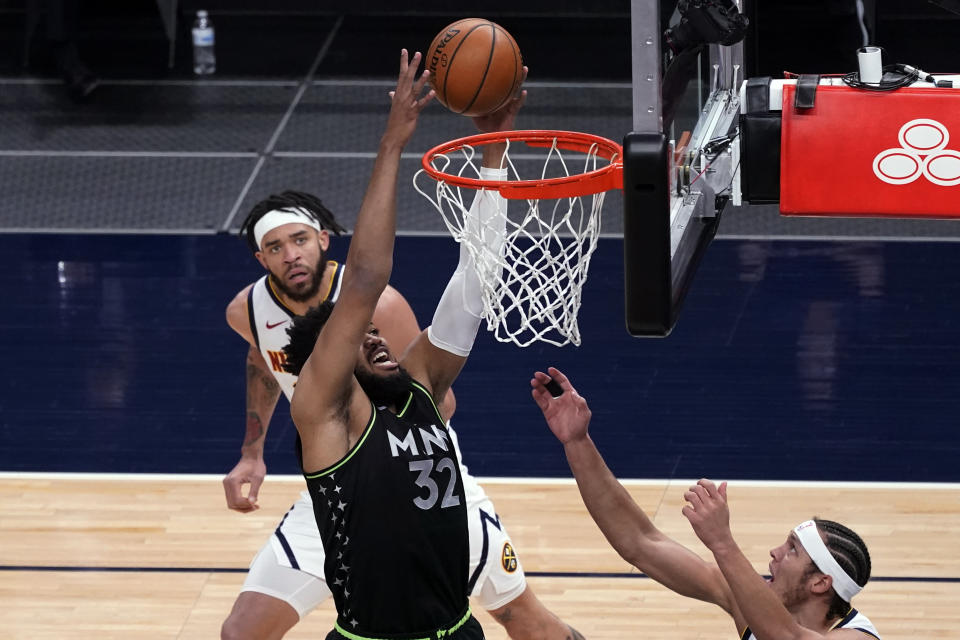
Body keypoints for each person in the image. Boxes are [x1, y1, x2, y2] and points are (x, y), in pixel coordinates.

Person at [222, 52, 580, 640]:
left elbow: (475, 284)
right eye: (361, 341)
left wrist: (494, 152)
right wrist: (391, 144)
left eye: (301, 239)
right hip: (368, 591)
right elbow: (360, 282)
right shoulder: (324, 411)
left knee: (533, 624)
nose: (379, 341)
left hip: (448, 576)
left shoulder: (416, 381)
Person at [531, 366, 879, 640]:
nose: (774, 552)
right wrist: (577, 442)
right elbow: (639, 542)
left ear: (820, 583)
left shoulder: (855, 637)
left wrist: (722, 543)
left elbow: (785, 637)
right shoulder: (752, 605)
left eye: (792, 550)